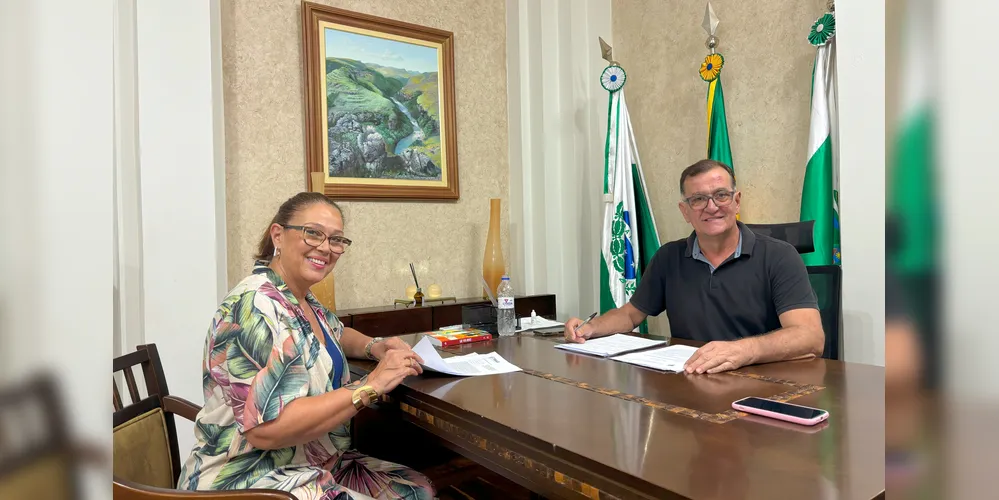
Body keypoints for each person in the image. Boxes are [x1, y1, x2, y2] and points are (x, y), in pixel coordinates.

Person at [177, 192, 435, 500]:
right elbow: (265, 429)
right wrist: (370, 385)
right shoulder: (254, 305)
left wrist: (374, 346)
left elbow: (334, 333)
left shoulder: (297, 297)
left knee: (417, 491)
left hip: (313, 460)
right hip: (251, 477)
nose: (325, 248)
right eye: (313, 233)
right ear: (278, 235)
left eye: (337, 240)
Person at [565, 159, 824, 374]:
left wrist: (742, 350)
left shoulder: (780, 256)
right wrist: (590, 328)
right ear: (685, 211)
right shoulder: (669, 257)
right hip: (692, 383)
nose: (712, 207)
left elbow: (810, 337)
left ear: (737, 201)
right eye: (698, 199)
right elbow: (631, 315)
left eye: (721, 195)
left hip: (761, 386)